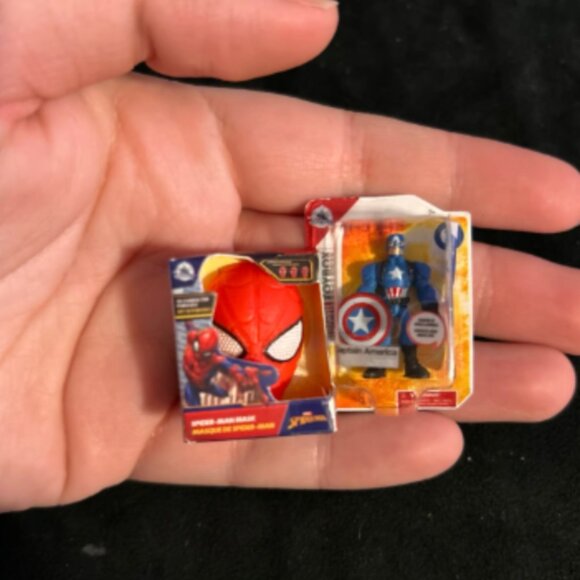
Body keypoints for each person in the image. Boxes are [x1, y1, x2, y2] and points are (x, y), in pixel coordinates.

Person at [0, 0, 578, 512]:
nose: (398, 244)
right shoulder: (348, 275)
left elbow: (400, 292)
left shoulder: (400, 269)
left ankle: (385, 356)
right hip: (340, 313)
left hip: (382, 317)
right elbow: (350, 288)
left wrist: (421, 300)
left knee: (394, 347)